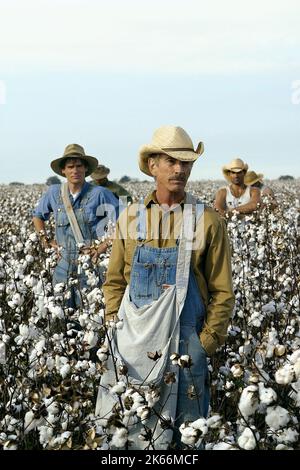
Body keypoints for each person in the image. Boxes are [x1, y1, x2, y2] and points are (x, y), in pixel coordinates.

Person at [99, 126, 235, 449]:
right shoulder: (130, 218)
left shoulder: (208, 221)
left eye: (186, 162)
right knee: (133, 434)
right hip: (133, 347)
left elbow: (223, 292)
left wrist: (204, 343)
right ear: (152, 166)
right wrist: (114, 330)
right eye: (171, 161)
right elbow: (116, 281)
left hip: (187, 346)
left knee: (187, 438)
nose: (180, 169)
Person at [32, 143, 119, 306]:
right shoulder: (54, 192)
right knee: (61, 313)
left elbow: (125, 222)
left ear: (86, 169)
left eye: (79, 166)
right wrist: (46, 240)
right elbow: (37, 215)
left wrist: (103, 246)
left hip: (90, 267)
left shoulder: (100, 194)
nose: (75, 170)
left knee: (89, 314)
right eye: (70, 166)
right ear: (63, 170)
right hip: (61, 266)